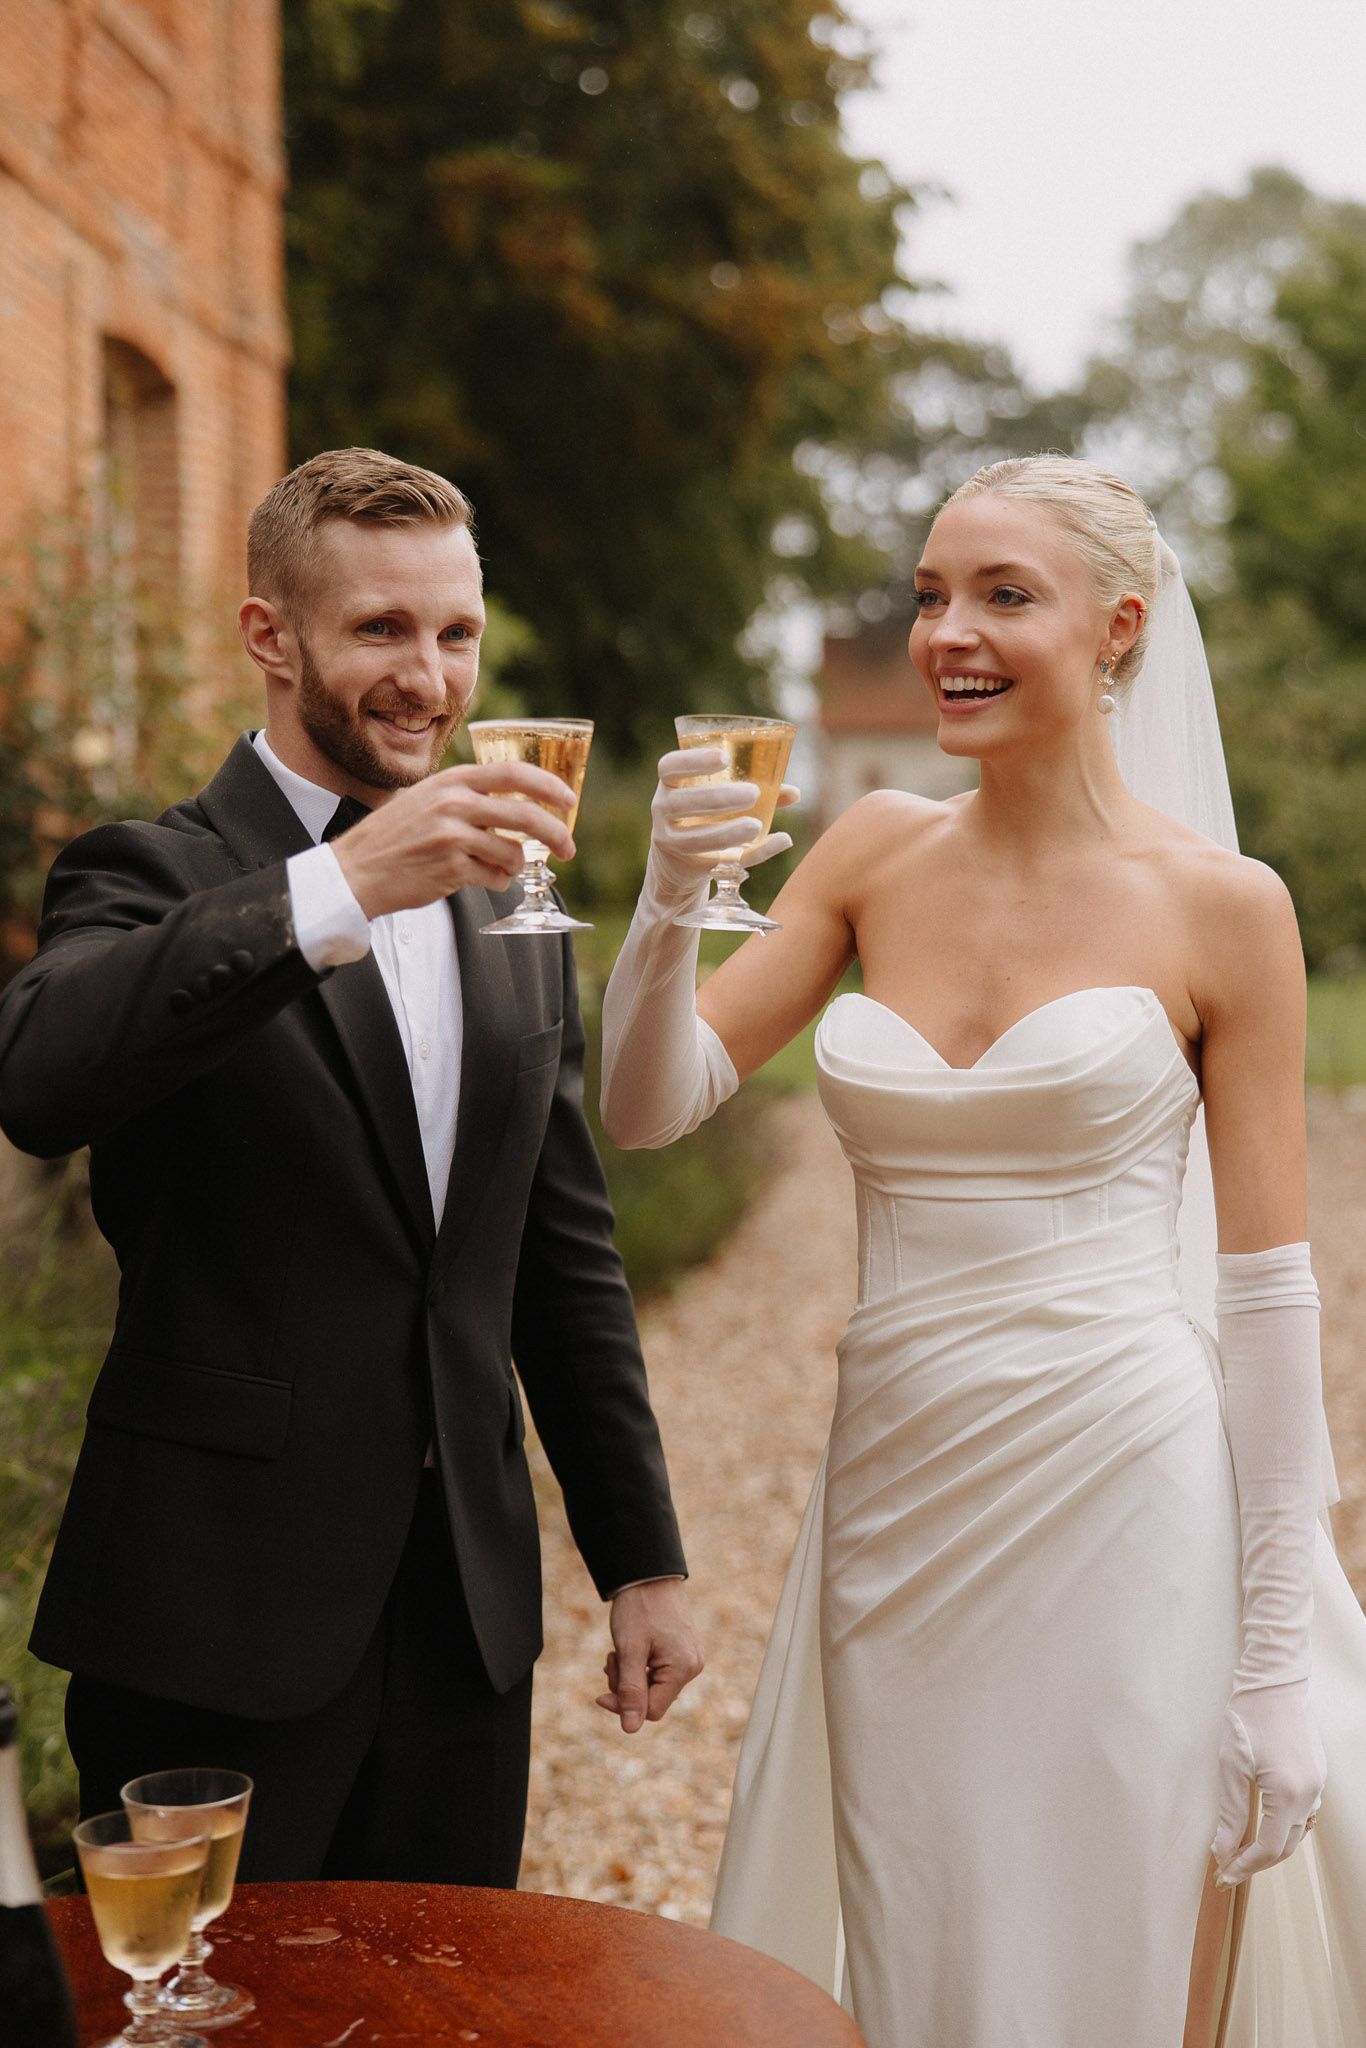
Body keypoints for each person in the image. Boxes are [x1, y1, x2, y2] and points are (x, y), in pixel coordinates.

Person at [599, 457, 1366, 2046]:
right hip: (898, 1488)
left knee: (1120, 1923)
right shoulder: (872, 850)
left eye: (1003, 596)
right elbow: (649, 1104)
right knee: (919, 1921)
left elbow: (1269, 1293)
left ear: (1117, 632)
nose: (946, 631)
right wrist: (670, 905)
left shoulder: (1223, 906)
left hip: (1125, 1492)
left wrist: (1276, 1660)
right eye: (933, 593)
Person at [0, 447, 701, 1884]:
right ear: (271, 636)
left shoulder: (513, 894)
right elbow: (40, 1076)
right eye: (381, 629)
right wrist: (347, 885)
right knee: (192, 2021)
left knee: (441, 2014)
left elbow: (555, 1254)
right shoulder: (148, 874)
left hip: (465, 1623)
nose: (429, 679)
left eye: (454, 634)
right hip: (212, 1621)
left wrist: (639, 1556)